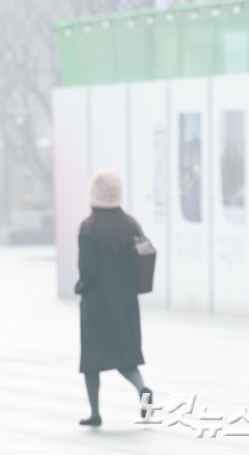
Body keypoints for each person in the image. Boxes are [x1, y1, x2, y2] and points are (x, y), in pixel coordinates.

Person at [77, 168, 152, 427]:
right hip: (126, 301)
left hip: (96, 303)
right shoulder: (131, 224)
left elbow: (89, 269)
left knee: (92, 361)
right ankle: (142, 389)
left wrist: (80, 286)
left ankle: (95, 413)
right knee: (126, 357)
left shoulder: (89, 227)